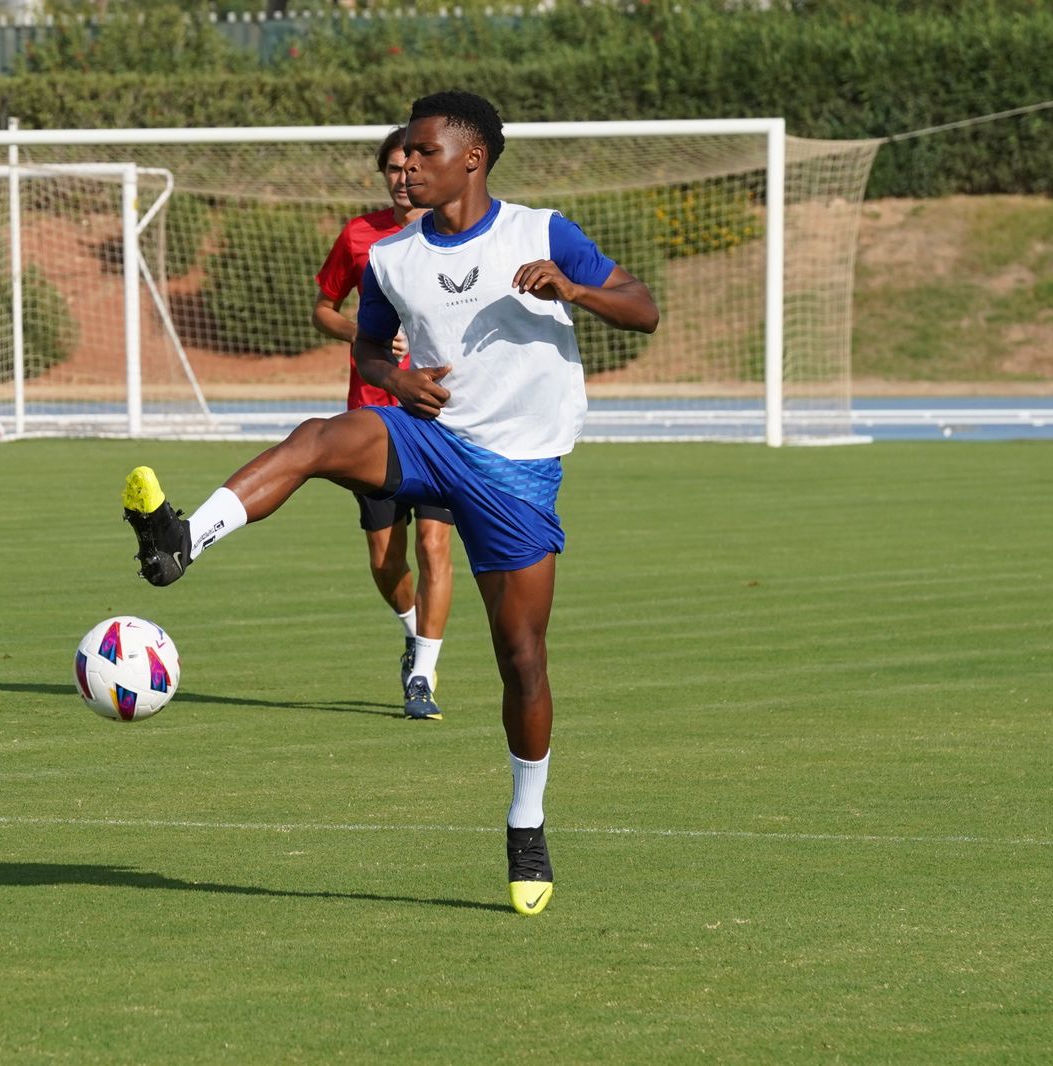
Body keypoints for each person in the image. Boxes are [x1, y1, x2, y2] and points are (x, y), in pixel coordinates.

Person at [120, 90, 658, 916]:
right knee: (316, 437)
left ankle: (526, 821)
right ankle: (182, 540)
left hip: (516, 473)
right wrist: (395, 379)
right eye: (403, 153)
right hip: (426, 436)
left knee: (522, 660)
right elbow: (370, 345)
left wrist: (575, 291)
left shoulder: (543, 232)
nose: (405, 164)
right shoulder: (392, 257)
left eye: (423, 152)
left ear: (472, 159)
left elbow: (644, 309)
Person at [312, 127, 456, 720]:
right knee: (384, 559)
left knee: (433, 546)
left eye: (413, 165)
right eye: (392, 169)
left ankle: (423, 673)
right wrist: (362, 333)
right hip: (373, 420)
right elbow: (323, 307)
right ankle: (412, 633)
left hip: (440, 420)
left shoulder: (456, 235)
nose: (404, 177)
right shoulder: (360, 236)